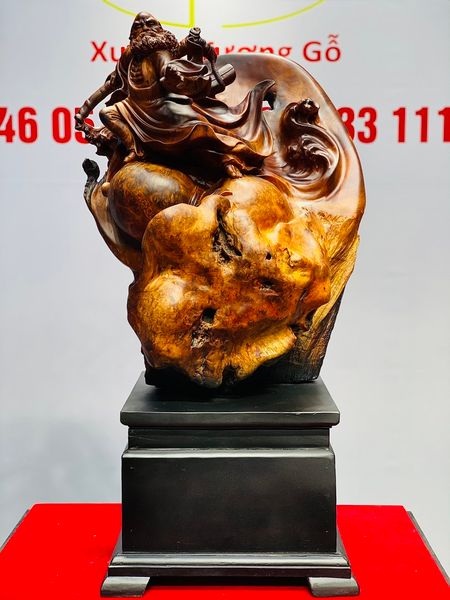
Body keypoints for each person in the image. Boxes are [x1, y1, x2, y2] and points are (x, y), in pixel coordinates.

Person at [75, 12, 273, 178]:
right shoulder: (129, 56)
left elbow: (176, 62)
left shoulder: (165, 49)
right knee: (107, 114)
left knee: (200, 131)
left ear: (159, 28)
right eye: (138, 26)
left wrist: (190, 56)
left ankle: (230, 158)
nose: (144, 28)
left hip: (164, 105)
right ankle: (134, 149)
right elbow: (109, 86)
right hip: (135, 108)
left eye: (150, 23)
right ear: (132, 34)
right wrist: (84, 111)